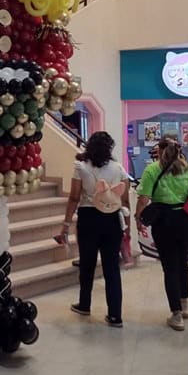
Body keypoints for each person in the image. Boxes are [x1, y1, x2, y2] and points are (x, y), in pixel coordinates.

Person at [135, 138, 188, 331]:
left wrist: (138, 219)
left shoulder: (152, 170)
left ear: (159, 150)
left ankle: (176, 313)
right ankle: (184, 303)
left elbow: (144, 199)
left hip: (164, 221)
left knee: (170, 267)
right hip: (187, 221)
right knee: (182, 262)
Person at [59, 131, 129, 327]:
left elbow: (74, 197)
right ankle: (115, 315)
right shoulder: (118, 167)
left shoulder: (80, 166)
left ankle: (84, 304)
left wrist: (65, 224)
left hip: (88, 218)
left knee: (87, 264)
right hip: (112, 219)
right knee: (112, 268)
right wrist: (128, 225)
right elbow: (123, 197)